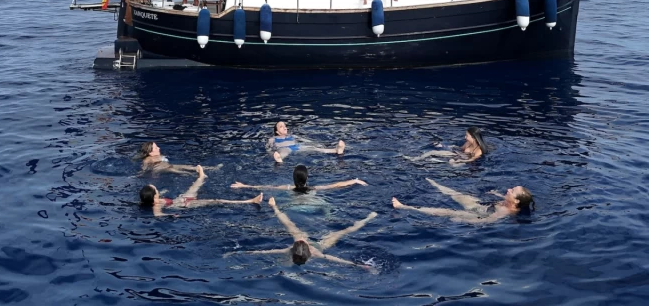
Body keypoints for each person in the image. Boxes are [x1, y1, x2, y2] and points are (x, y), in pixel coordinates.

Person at [228, 197, 376, 268]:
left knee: (289, 225)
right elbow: (338, 260)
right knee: (343, 231)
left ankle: (275, 207)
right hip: (320, 245)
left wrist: (237, 253)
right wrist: (361, 266)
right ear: (306, 247)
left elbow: (263, 252)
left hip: (302, 254)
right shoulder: (317, 253)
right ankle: (368, 218)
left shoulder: (287, 250)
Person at [391, 178, 534, 224]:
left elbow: (487, 221)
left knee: (445, 212)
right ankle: (435, 183)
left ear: (515, 201)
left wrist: (463, 220)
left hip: (478, 216)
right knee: (457, 194)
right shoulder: (510, 201)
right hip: (480, 207)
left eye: (512, 191)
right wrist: (494, 193)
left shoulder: (505, 211)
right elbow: (503, 198)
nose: (508, 189)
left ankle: (404, 207)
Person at [139, 165, 263, 217]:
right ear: (154, 197)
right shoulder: (156, 206)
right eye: (156, 189)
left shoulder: (155, 200)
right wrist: (170, 215)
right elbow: (158, 215)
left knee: (194, 187)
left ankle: (201, 177)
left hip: (181, 200)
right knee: (217, 201)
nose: (157, 188)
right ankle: (250, 201)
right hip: (186, 205)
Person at [231, 164, 367, 192]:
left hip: (294, 207)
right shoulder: (314, 188)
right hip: (312, 206)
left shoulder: (288, 188)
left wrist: (244, 185)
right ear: (307, 178)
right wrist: (355, 180)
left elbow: (266, 187)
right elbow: (337, 184)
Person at [404, 127, 489, 166]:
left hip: (464, 159)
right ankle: (415, 159)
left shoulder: (479, 150)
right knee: (432, 152)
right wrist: (444, 146)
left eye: (467, 136)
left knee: (452, 164)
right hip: (458, 154)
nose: (465, 137)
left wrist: (459, 161)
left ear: (473, 138)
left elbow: (472, 159)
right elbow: (459, 149)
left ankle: (434, 161)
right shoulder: (468, 143)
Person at [268, 121, 345, 163]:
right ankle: (279, 159)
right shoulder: (272, 139)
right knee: (283, 153)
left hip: (297, 146)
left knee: (315, 149)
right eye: (281, 127)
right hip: (284, 148)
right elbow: (269, 148)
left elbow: (305, 140)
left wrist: (318, 145)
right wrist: (272, 154)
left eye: (285, 126)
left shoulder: (292, 136)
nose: (284, 127)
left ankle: (336, 150)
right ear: (277, 132)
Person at [136, 141, 221, 175]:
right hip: (161, 169)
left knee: (189, 167)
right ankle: (192, 175)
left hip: (169, 166)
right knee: (183, 172)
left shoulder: (158, 156)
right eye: (156, 148)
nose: (159, 148)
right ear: (150, 152)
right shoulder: (148, 159)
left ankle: (212, 168)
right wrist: (141, 173)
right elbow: (145, 167)